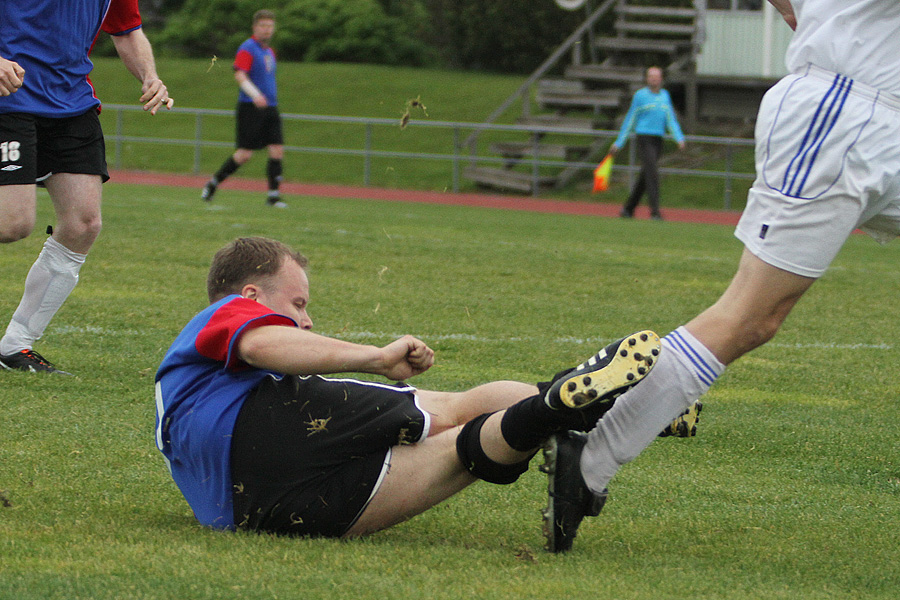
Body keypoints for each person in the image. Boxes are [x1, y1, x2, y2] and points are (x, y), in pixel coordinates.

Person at [154, 237, 699, 552]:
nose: (307, 317)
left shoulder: (185, 379)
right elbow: (264, 345)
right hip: (252, 424)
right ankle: (604, 402)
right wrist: (376, 356)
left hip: (255, 511)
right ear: (252, 294)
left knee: (463, 450)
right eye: (298, 303)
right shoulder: (228, 314)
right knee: (455, 408)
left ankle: (580, 408)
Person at [577, 0, 900, 516]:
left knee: (753, 318)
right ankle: (590, 456)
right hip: (845, 112)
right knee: (750, 318)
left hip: (873, 112)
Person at [0, 0, 172, 374]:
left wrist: (149, 75)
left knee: (83, 224)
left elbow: (127, 32)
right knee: (11, 223)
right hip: (9, 96)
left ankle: (16, 345)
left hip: (71, 102)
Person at [201, 10, 287, 208]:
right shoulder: (247, 48)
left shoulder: (269, 51)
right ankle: (213, 184)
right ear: (255, 27)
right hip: (251, 107)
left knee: (277, 150)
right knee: (244, 154)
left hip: (271, 107)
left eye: (270, 26)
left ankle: (273, 196)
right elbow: (240, 74)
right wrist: (255, 94)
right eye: (263, 26)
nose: (267, 30)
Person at [610, 66, 686, 220]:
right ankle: (655, 211)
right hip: (644, 138)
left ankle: (628, 209)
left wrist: (679, 137)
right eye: (651, 76)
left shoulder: (665, 96)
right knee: (652, 173)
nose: (654, 79)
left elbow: (670, 119)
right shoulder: (640, 96)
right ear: (646, 78)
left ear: (661, 79)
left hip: (658, 139)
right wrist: (619, 142)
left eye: (656, 76)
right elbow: (630, 119)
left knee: (645, 176)